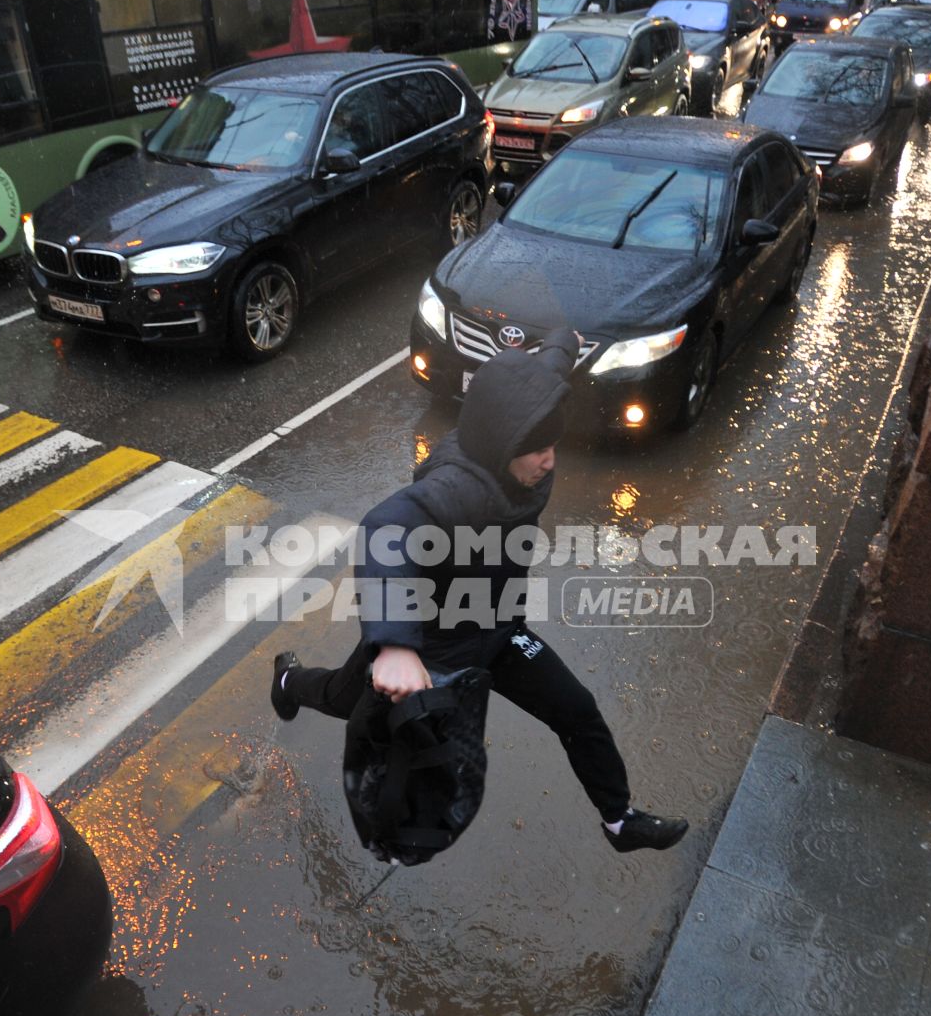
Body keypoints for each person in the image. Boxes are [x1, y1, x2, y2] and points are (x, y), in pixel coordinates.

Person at [270, 333, 689, 855]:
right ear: (503, 443)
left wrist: (565, 339)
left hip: (497, 632)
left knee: (576, 710)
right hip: (431, 651)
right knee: (340, 697)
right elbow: (385, 530)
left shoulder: (521, 436)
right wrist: (396, 646)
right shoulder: (457, 489)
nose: (550, 461)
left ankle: (619, 821)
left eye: (553, 445)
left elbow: (548, 374)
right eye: (538, 450)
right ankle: (287, 679)